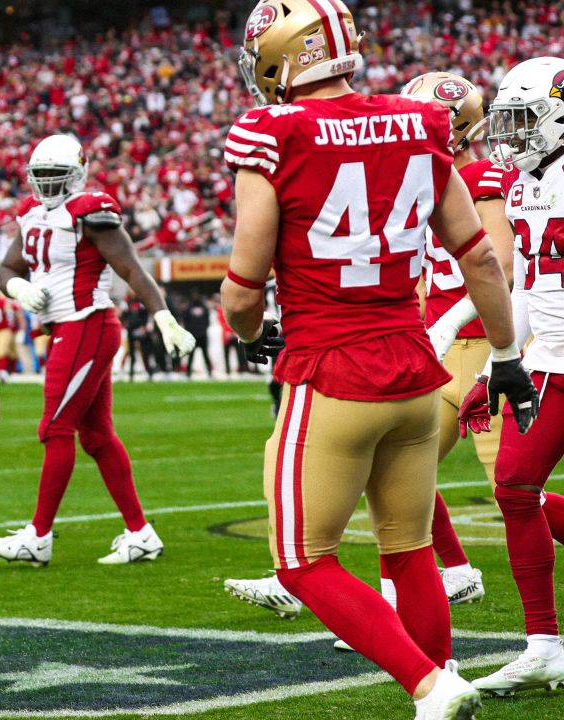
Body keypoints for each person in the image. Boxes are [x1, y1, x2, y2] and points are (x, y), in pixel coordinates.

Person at [222, 2, 538, 717]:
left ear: (283, 54)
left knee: (303, 562)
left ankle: (431, 685)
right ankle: (443, 673)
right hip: (414, 371)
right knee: (410, 549)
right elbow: (482, 259)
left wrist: (247, 330)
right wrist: (505, 356)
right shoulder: (419, 121)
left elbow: (244, 285)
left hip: (332, 370)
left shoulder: (271, 131)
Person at [224, 70, 510, 620]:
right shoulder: (416, 163)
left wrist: (472, 334)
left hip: (459, 345)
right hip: (423, 348)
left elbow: (491, 262)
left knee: (512, 490)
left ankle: (371, 595)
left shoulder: (474, 175)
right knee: (398, 493)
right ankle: (432, 588)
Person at [0, 134, 196, 566]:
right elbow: (7, 267)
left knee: (55, 428)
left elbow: (131, 268)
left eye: (55, 176)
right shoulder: (30, 214)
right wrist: (19, 287)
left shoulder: (91, 213)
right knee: (96, 436)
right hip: (69, 328)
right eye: (39, 177)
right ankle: (140, 533)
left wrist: (162, 316)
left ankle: (38, 536)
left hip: (87, 325)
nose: (46, 185)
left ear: (77, 176)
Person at [463, 55, 564, 696]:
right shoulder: (525, 185)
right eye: (508, 122)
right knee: (513, 484)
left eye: (526, 120)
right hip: (552, 361)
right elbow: (525, 284)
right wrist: (495, 362)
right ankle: (545, 645)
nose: (513, 135)